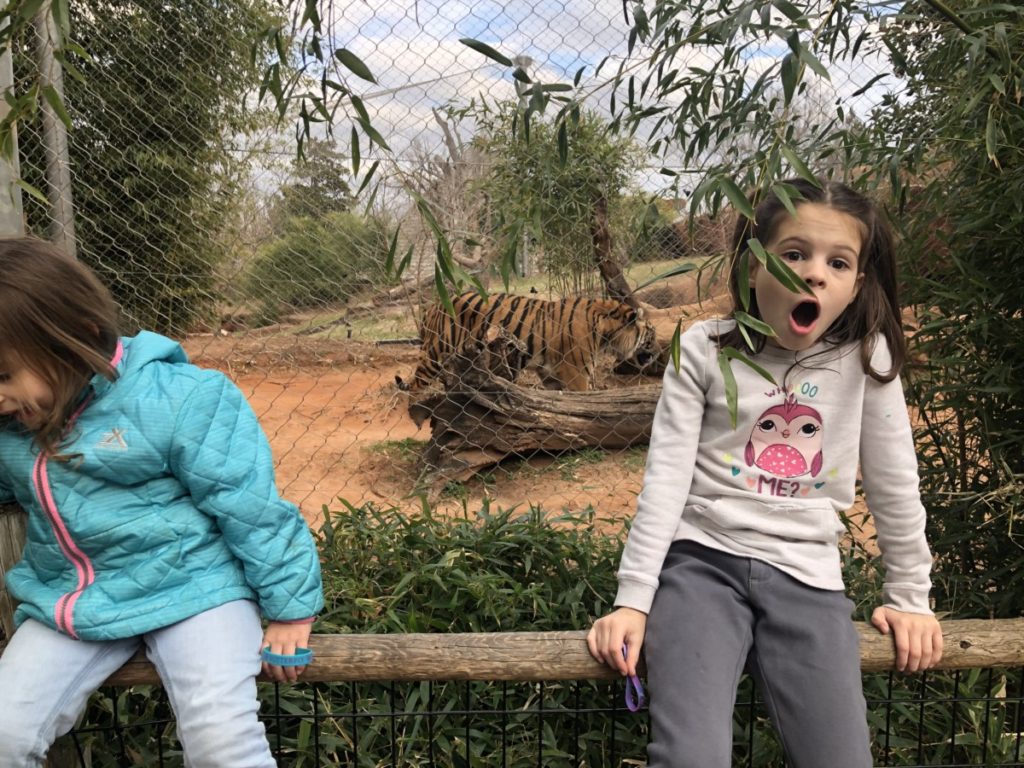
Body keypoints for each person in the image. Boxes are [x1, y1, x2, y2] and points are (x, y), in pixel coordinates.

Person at [587, 178, 943, 767]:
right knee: (689, 757)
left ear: (856, 286)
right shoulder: (703, 348)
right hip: (701, 564)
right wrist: (634, 600)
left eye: (838, 261)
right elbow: (666, 479)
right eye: (794, 254)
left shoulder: (866, 358)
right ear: (753, 267)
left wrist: (910, 596)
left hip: (809, 579)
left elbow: (894, 483)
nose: (814, 274)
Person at [0, 236, 324, 766]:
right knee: (4, 732)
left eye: (2, 375)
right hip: (73, 600)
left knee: (220, 736)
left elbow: (250, 506)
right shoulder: (10, 428)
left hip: (195, 590)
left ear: (74, 340)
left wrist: (291, 608)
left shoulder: (181, 398)